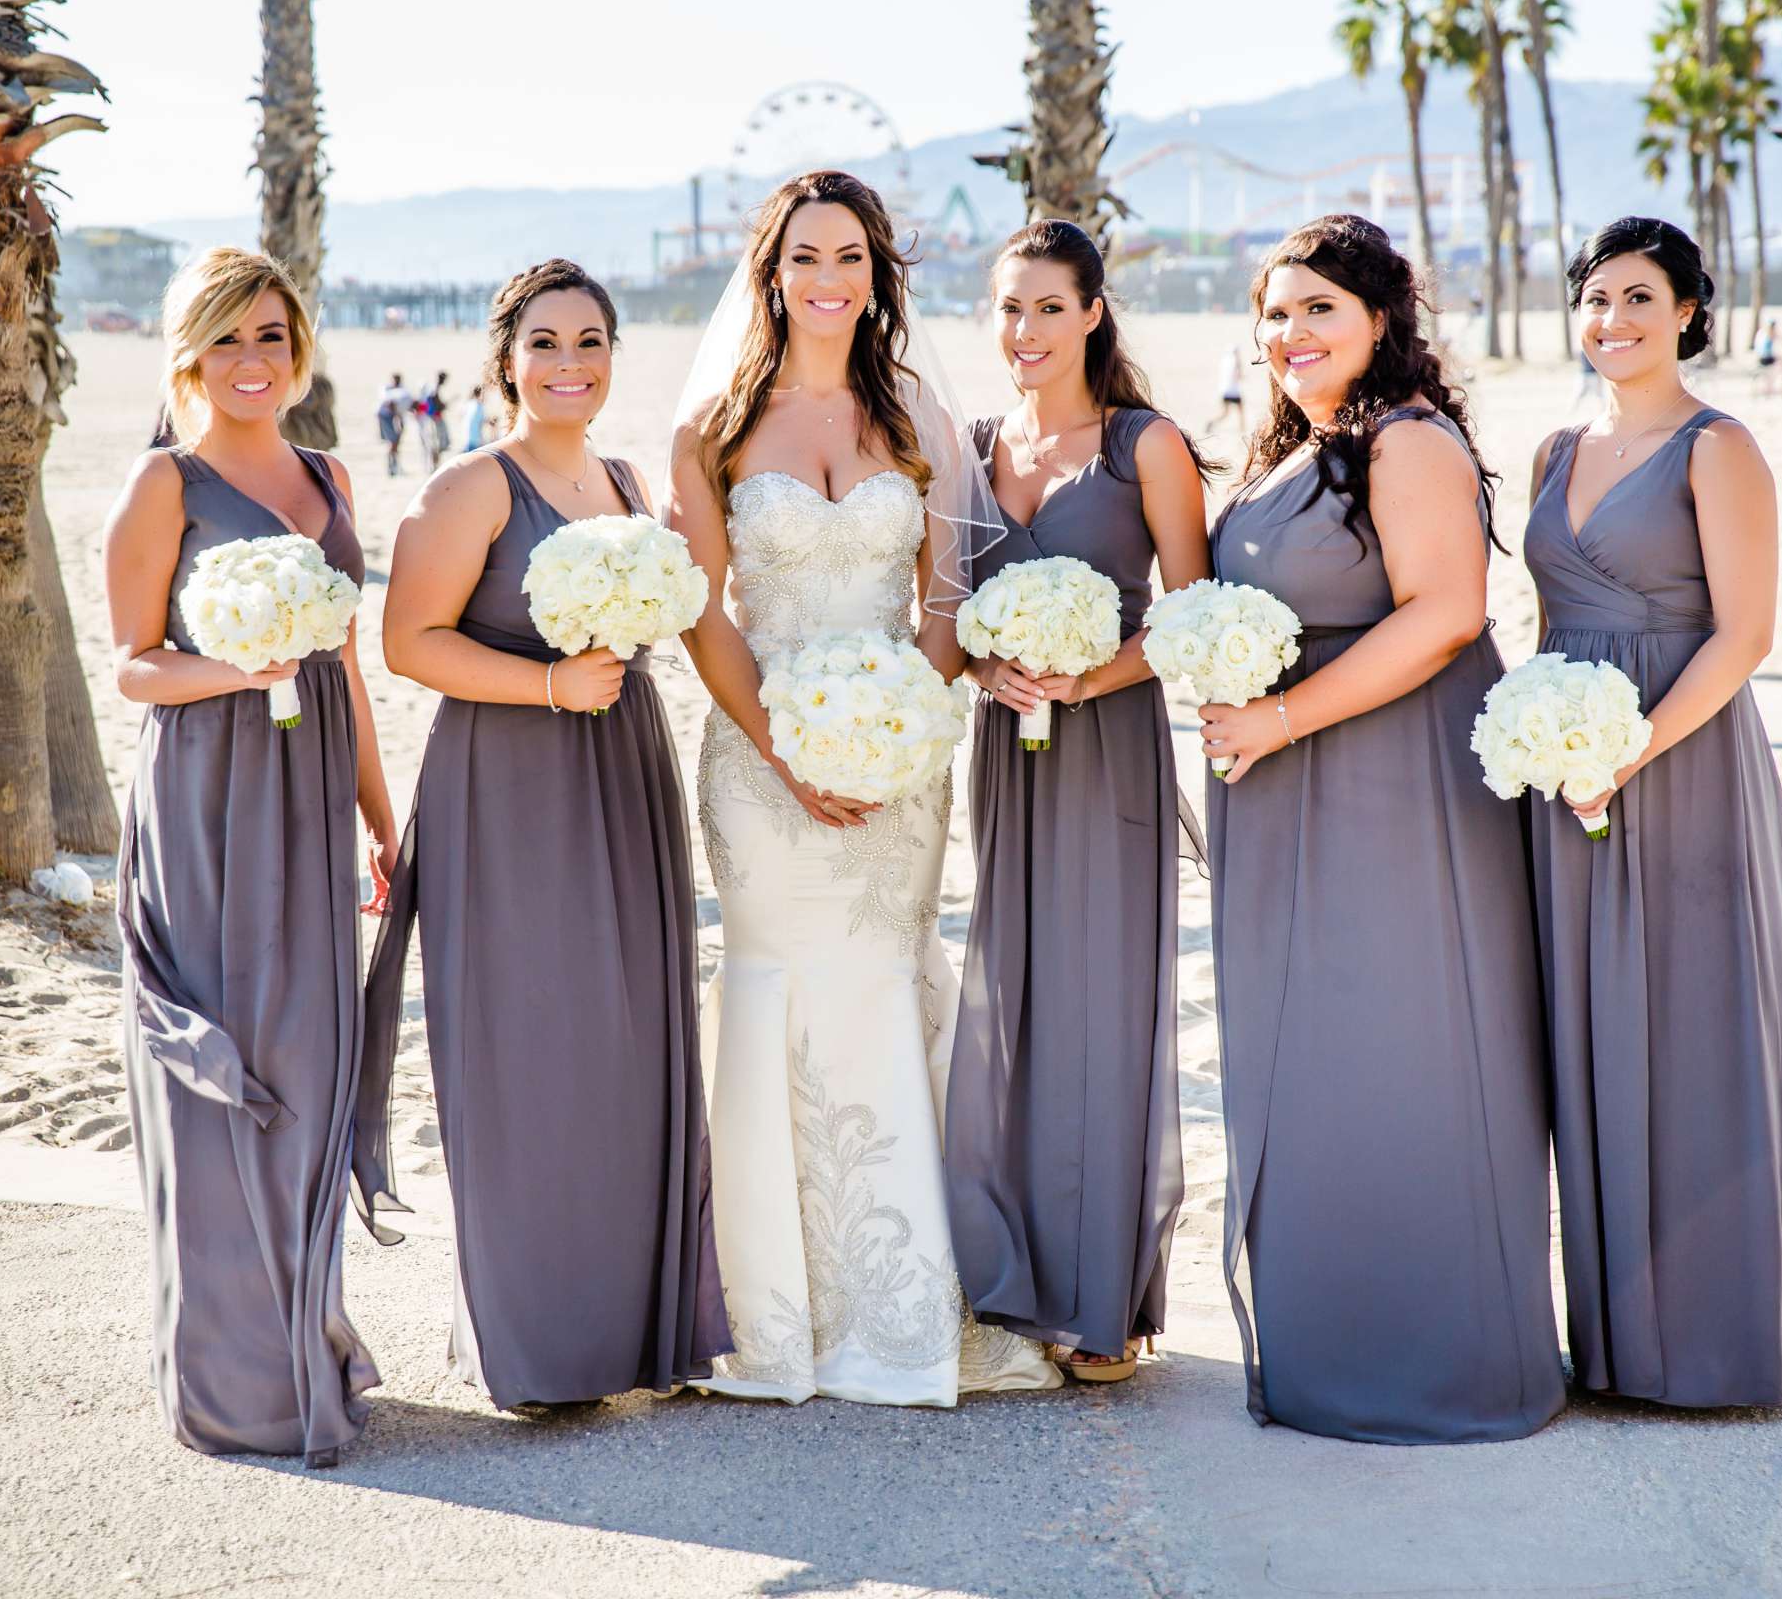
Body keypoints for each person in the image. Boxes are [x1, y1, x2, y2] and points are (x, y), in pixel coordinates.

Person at [667, 169, 1062, 1407]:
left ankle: (909, 1302)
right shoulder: (712, 434)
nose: (826, 279)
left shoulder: (916, 419)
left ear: (878, 272)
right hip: (756, 760)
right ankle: (776, 1313)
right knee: (776, 981)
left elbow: (945, 599)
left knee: (889, 981)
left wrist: (902, 731)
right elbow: (699, 615)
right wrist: (789, 746)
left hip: (899, 764)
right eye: (803, 258)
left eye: (848, 257)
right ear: (769, 274)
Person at [1528, 217, 1782, 1409]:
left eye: (1641, 298)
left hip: (1685, 764)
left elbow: (1745, 635)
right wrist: (1547, 742)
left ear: (1692, 312)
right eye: (1595, 299)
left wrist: (1627, 752)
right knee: (1591, 1040)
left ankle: (1705, 1345)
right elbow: (1549, 623)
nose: (1614, 320)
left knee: (1694, 1037)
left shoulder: (1719, 447)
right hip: (1569, 779)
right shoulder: (1553, 447)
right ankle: (1612, 1345)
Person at [1198, 215, 1564, 1443]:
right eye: (1276, 312)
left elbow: (1449, 614)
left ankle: (1438, 1365)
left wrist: (1283, 714)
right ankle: (1331, 1347)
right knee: (1316, 1060)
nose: (1290, 333)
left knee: (1410, 1049)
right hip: (1291, 786)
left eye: (1318, 310)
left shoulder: (1406, 442)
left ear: (1380, 320)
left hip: (1398, 791)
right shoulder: (1288, 449)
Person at [363, 259, 727, 1409]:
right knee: (530, 1049)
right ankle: (543, 1351)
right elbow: (408, 641)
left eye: (592, 341)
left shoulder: (623, 480)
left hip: (623, 771)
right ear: (504, 358)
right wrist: (548, 689)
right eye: (546, 343)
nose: (570, 364)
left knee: (627, 1040)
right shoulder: (472, 487)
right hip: (509, 786)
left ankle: (632, 1332)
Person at [102, 247, 396, 1466]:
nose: (250, 361)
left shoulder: (326, 472)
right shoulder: (163, 481)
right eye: (227, 338)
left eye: (271, 336)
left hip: (315, 789)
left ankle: (308, 1339)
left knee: (310, 1068)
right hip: (209, 804)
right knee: (226, 1075)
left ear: (299, 349)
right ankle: (239, 1384)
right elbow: (130, 665)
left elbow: (350, 667)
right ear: (188, 353)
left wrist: (382, 813)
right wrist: (242, 666)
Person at [946, 219, 1210, 1384]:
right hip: (1006, 750)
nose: (1026, 331)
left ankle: (1107, 1302)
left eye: (1049, 307)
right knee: (1019, 999)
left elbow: (1196, 615)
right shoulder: (968, 446)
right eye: (1008, 309)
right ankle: (1024, 1278)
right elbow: (943, 607)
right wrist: (981, 661)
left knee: (1105, 1005)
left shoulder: (1145, 445)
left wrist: (1087, 674)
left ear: (1094, 312)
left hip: (1110, 745)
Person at [1204, 344, 1246, 436]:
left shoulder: (1224, 361)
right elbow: (1238, 375)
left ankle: (1211, 423)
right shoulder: (1236, 362)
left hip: (1224, 390)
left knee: (1224, 413)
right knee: (1240, 410)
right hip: (1233, 391)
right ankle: (1242, 430)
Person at [377, 371, 412, 474]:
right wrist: (397, 420)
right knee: (393, 442)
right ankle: (392, 467)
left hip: (389, 416)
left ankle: (394, 466)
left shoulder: (402, 392)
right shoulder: (399, 394)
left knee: (395, 443)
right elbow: (391, 405)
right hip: (387, 417)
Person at [419, 369, 451, 468]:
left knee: (436, 443)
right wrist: (442, 406)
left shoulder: (433, 388)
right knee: (437, 443)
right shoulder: (435, 389)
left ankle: (435, 465)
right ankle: (435, 465)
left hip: (432, 418)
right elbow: (435, 403)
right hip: (435, 419)